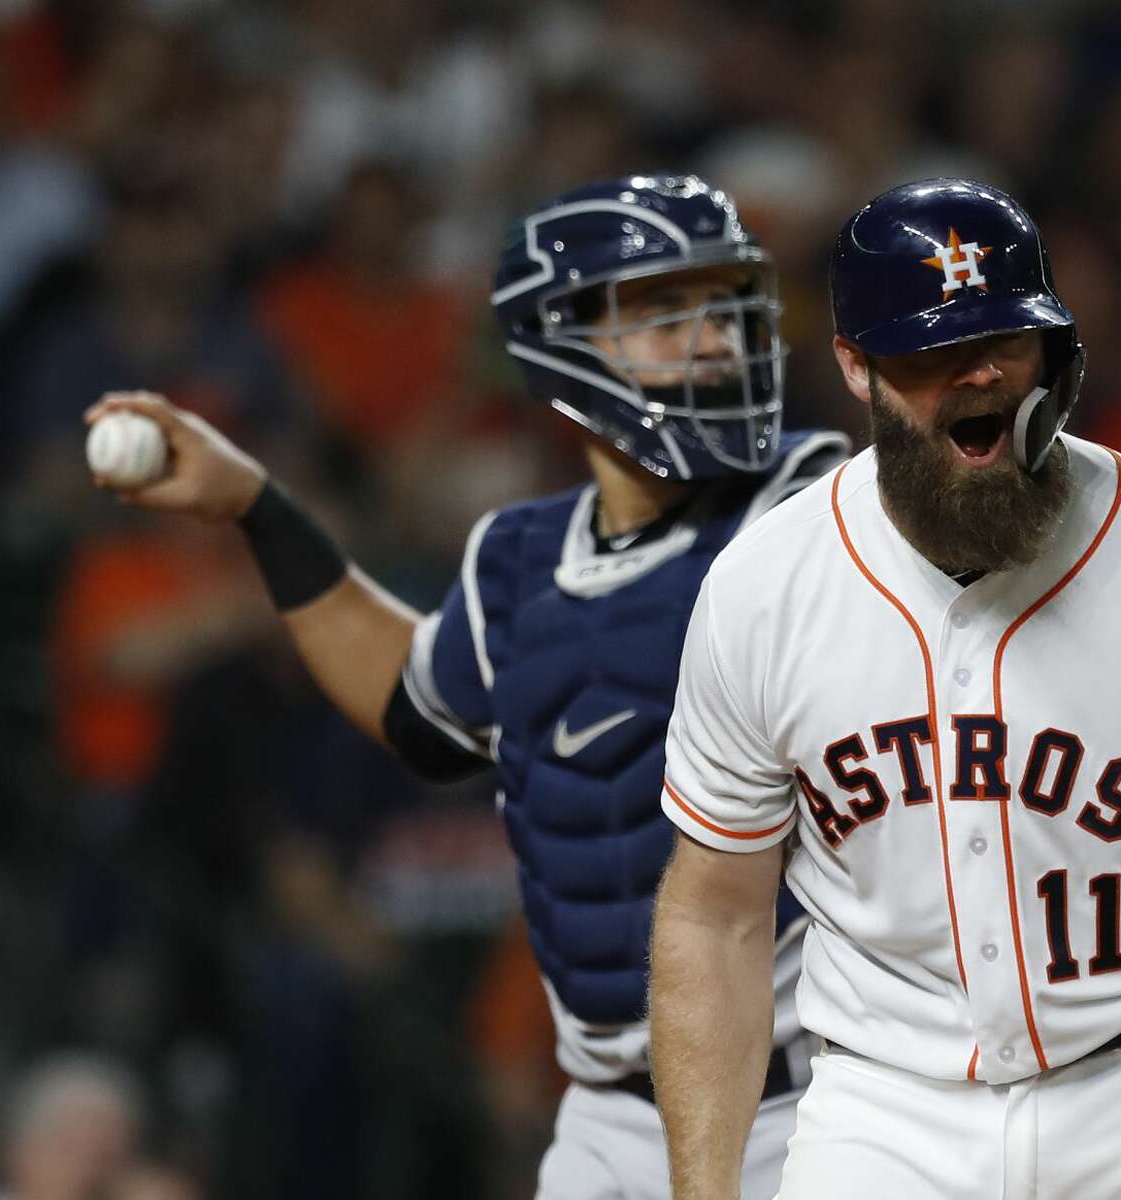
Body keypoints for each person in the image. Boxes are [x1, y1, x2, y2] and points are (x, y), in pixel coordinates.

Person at [88, 175, 847, 1200]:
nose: (715, 341)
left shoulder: (820, 509)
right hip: (602, 1117)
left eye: (728, 308)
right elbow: (412, 706)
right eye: (668, 312)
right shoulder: (516, 558)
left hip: (815, 1109)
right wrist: (257, 508)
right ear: (560, 342)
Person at [648, 178, 1121, 1200]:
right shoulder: (768, 588)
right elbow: (714, 914)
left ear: (1058, 352)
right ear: (855, 367)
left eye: (1005, 338)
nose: (980, 373)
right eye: (932, 352)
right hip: (884, 1113)